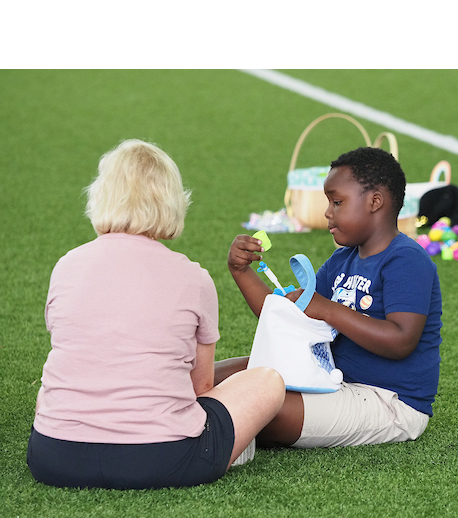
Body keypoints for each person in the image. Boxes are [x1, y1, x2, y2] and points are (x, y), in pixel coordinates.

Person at [27, 139, 285, 490]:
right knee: (267, 380)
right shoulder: (192, 277)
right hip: (162, 459)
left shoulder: (66, 266)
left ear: (100, 195)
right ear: (173, 202)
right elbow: (202, 387)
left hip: (54, 457)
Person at [226, 146, 442, 449]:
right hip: (331, 380)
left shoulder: (406, 259)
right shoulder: (344, 259)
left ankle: (193, 430)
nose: (328, 212)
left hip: (389, 402)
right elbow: (286, 318)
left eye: (337, 202)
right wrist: (242, 271)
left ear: (375, 202)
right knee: (225, 376)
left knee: (252, 405)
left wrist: (328, 310)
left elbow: (401, 341)